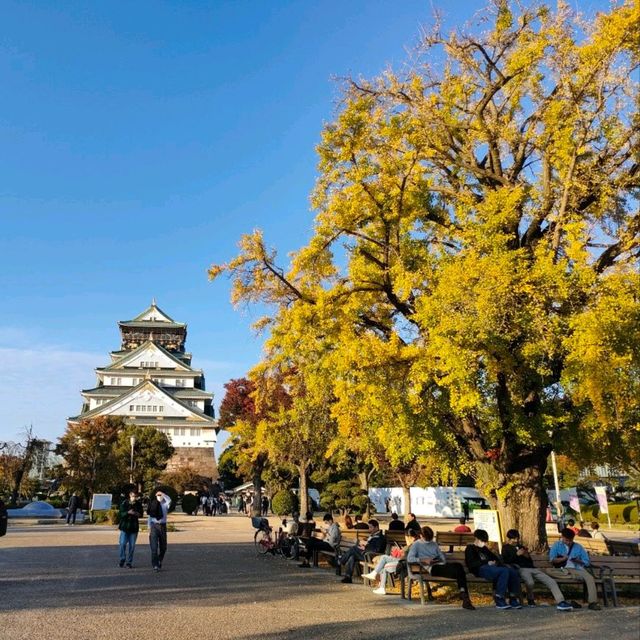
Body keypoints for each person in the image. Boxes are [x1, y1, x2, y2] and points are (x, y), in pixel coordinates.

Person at [405, 526, 476, 609]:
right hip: (432, 568)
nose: (429, 541)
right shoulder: (416, 545)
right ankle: (464, 596)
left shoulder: (434, 543)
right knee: (459, 572)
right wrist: (423, 560)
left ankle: (463, 595)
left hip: (441, 564)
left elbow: (442, 557)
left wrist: (439, 558)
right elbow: (410, 558)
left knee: (458, 566)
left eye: (430, 539)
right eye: (427, 539)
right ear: (421, 536)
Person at [502, 529, 573, 611]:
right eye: (513, 539)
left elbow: (530, 561)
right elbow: (506, 561)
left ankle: (561, 601)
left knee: (551, 581)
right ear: (509, 539)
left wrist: (526, 556)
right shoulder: (505, 548)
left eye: (517, 538)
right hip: (521, 569)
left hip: (532, 568)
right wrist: (516, 554)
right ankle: (530, 598)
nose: (516, 541)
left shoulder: (521, 547)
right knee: (530, 582)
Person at [465, 529, 522, 609]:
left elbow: (495, 558)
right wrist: (486, 562)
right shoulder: (470, 548)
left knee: (512, 571)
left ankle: (513, 598)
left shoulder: (484, 549)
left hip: (492, 568)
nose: (484, 543)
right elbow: (471, 563)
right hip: (480, 569)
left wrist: (495, 562)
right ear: (476, 539)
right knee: (504, 571)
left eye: (485, 541)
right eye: (482, 540)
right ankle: (499, 599)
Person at [548, 528, 601, 610]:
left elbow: (586, 561)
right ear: (562, 537)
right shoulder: (556, 545)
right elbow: (552, 559)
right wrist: (562, 559)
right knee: (548, 571)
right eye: (566, 540)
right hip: (562, 570)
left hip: (576, 569)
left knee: (590, 578)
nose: (568, 542)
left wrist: (578, 561)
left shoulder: (578, 547)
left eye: (570, 540)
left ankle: (592, 602)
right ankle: (574, 576)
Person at [362, 529, 419, 595]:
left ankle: (378, 580)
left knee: (384, 562)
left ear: (411, 538)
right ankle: (380, 584)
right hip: (405, 562)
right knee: (384, 560)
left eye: (406, 538)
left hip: (404, 564)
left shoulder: (413, 545)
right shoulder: (415, 544)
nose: (406, 540)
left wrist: (401, 551)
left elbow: (406, 556)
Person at [339, 519, 386, 584]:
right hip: (366, 554)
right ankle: (348, 577)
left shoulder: (380, 537)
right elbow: (370, 546)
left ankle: (340, 561)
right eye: (369, 527)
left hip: (371, 556)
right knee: (352, 556)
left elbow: (377, 550)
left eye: (371, 527)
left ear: (376, 527)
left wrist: (366, 546)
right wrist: (364, 546)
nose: (369, 529)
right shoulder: (373, 535)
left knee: (353, 549)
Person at [118, 490, 143, 568]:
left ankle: (129, 562)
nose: (134, 498)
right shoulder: (124, 503)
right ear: (129, 495)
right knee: (122, 544)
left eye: (135, 496)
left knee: (132, 546)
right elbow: (120, 514)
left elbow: (141, 514)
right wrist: (127, 512)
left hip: (134, 527)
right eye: (133, 496)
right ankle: (122, 559)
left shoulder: (138, 504)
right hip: (125, 526)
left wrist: (136, 513)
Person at [148, 489, 171, 571]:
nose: (159, 496)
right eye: (158, 495)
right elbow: (150, 516)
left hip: (162, 526)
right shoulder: (153, 503)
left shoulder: (165, 504)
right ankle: (155, 565)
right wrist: (149, 527)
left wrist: (163, 494)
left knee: (163, 547)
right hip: (154, 525)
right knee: (154, 547)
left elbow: (169, 499)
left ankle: (159, 560)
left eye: (160, 495)